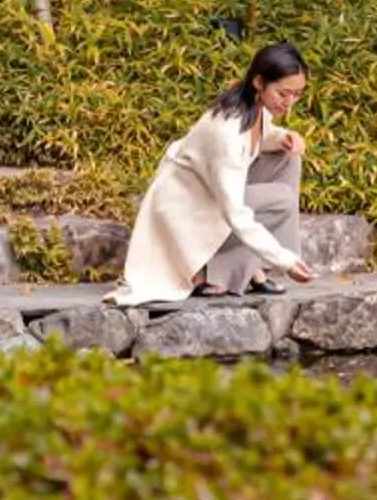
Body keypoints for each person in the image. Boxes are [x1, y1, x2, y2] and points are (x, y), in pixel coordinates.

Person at [109, 42, 318, 308]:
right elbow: (235, 212)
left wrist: (285, 137)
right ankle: (214, 271)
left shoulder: (251, 107)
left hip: (209, 199)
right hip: (187, 212)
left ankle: (253, 266)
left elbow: (258, 140)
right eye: (283, 93)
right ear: (259, 82)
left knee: (289, 160)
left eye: (297, 95)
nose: (289, 103)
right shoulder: (226, 132)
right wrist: (285, 260)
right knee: (281, 198)